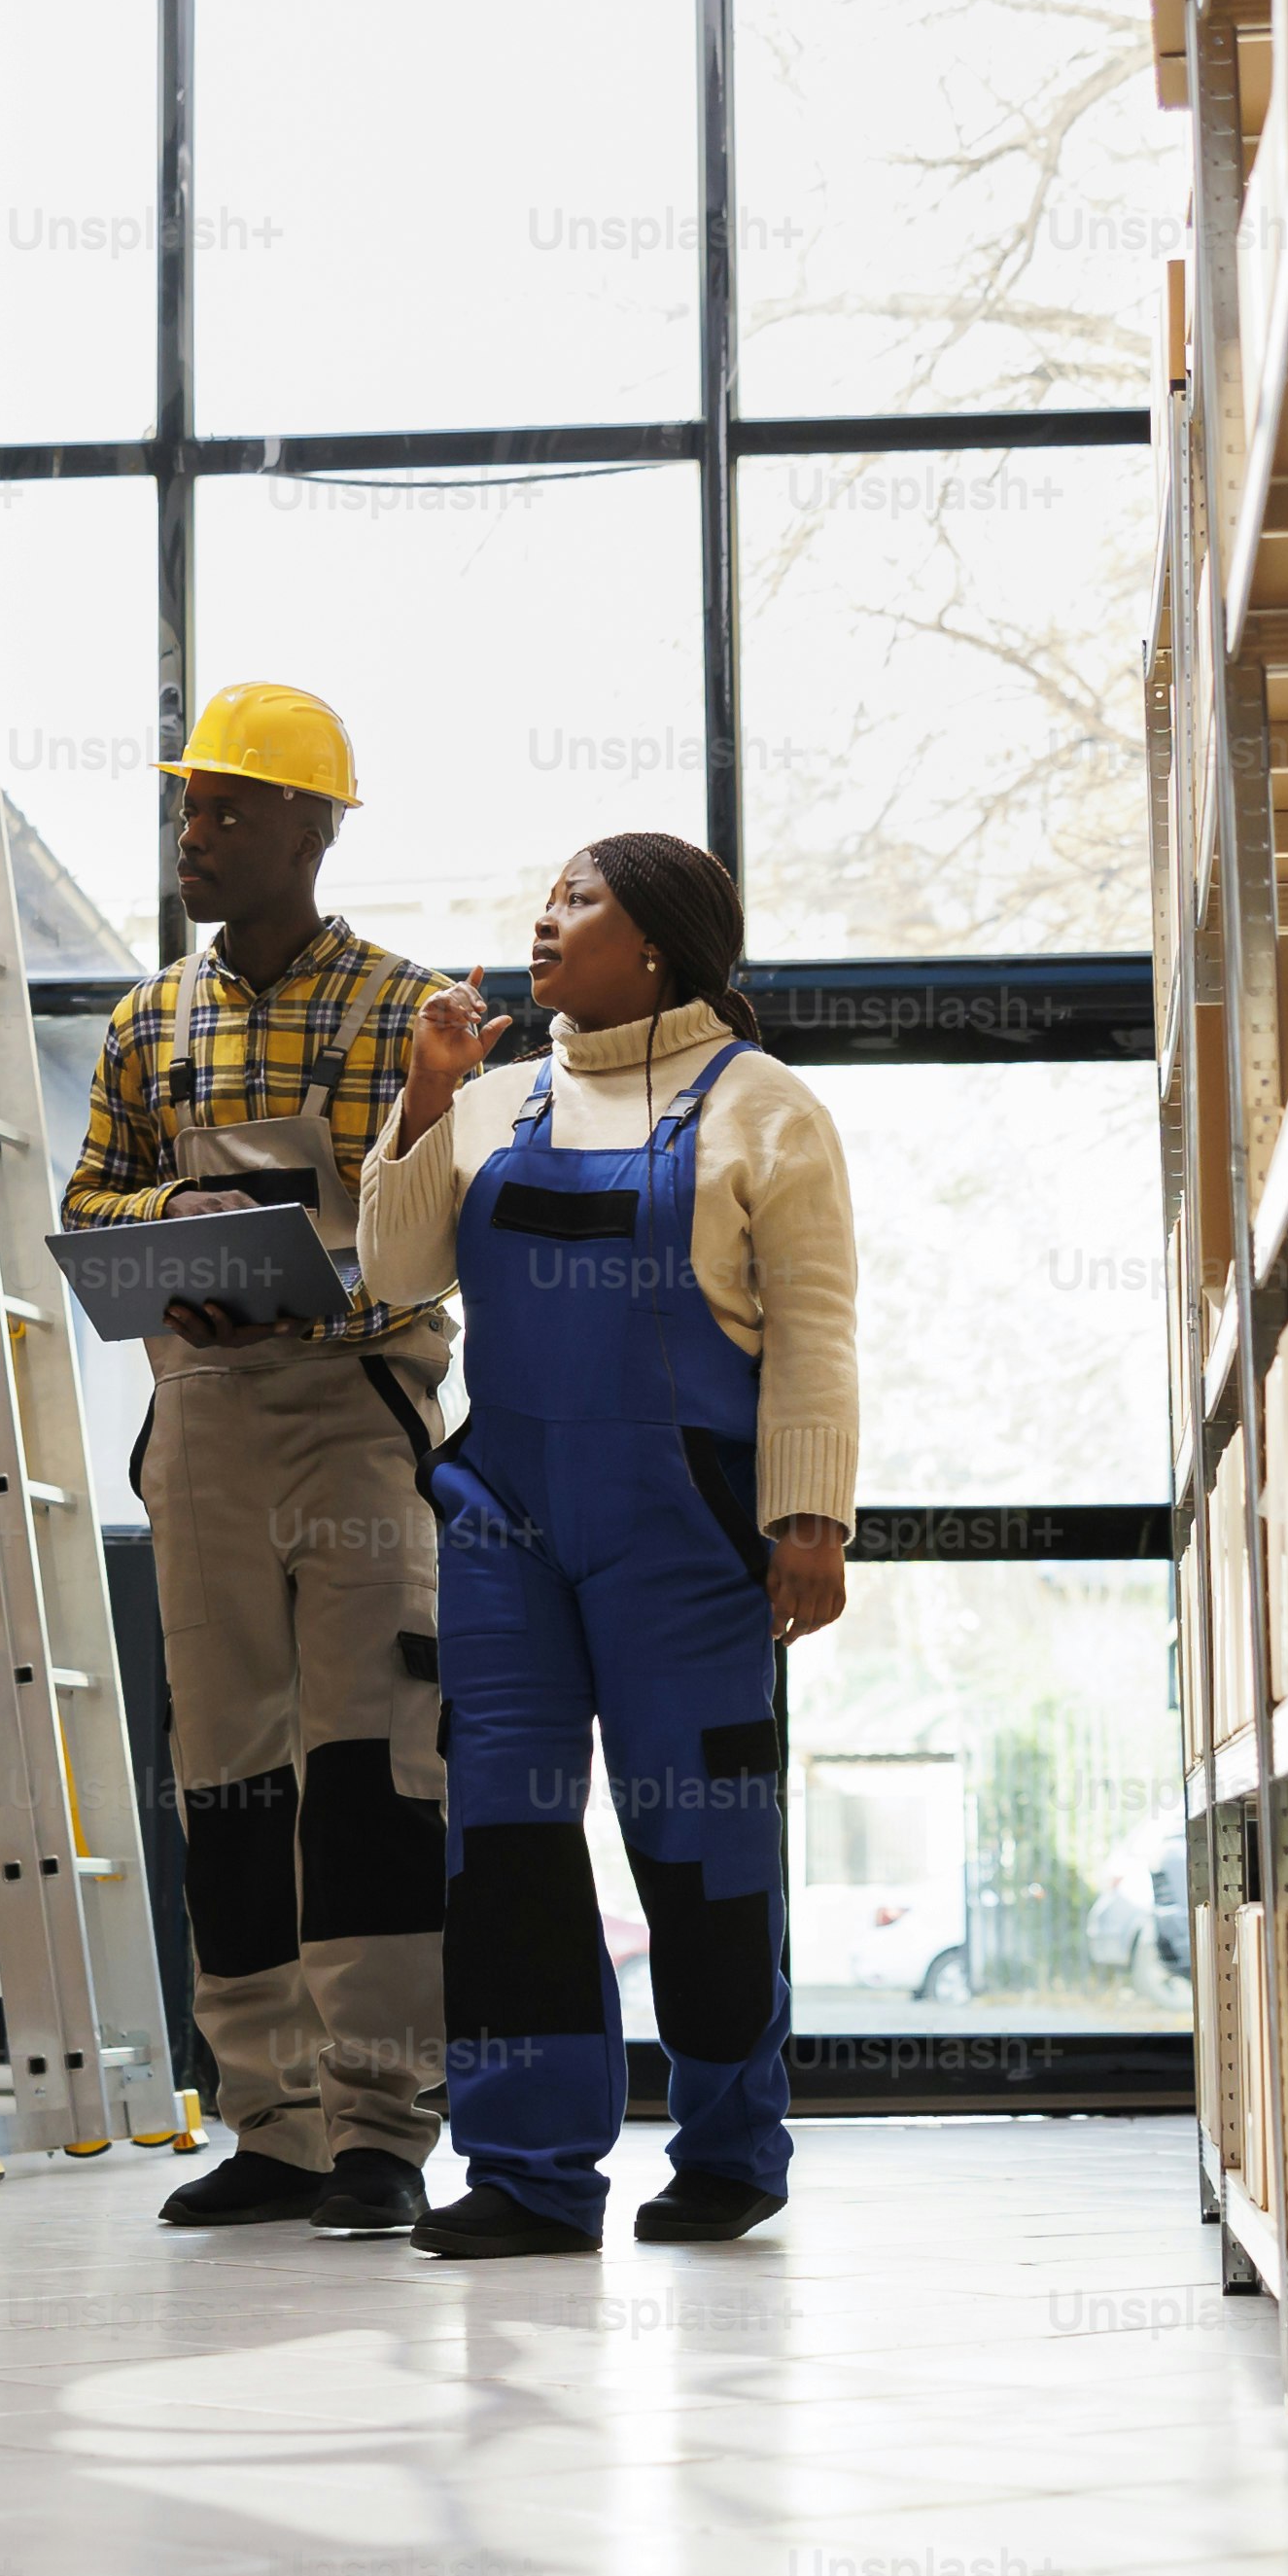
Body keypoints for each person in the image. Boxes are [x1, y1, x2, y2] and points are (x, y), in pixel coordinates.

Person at [358, 832, 858, 2256]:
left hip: (684, 1526)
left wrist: (809, 1520)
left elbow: (815, 1332)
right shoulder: (496, 1098)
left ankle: (728, 2143)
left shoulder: (766, 1111)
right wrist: (424, 1096)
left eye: (578, 899)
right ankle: (528, 2169)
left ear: (656, 942)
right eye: (548, 893)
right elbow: (394, 1277)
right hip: (505, 1518)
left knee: (699, 1839)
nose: (543, 916)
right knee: (503, 1840)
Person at [65, 681, 454, 2240]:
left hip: (357, 1414)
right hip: (204, 1417)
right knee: (223, 1776)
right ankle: (272, 2125)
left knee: (367, 1771)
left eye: (229, 808)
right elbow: (92, 1201)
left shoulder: (409, 1009)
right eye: (187, 808)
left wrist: (340, 1234)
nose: (195, 835)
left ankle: (377, 2124)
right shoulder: (146, 1023)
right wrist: (176, 1231)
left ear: (313, 826)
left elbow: (435, 1238)